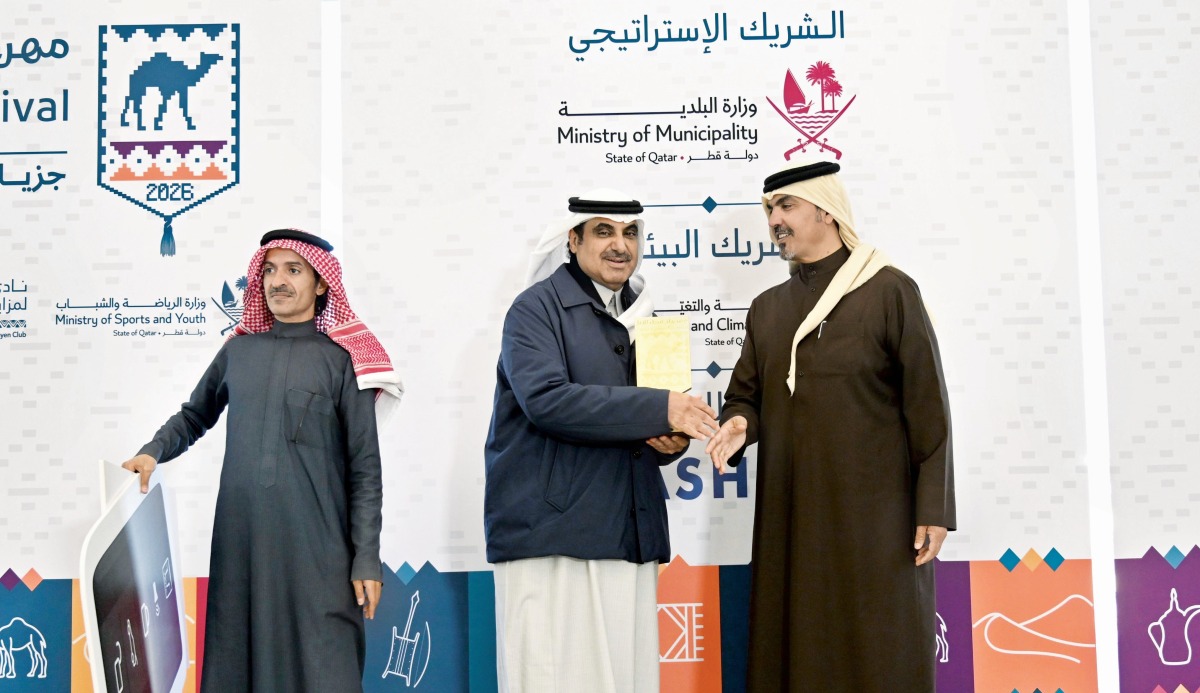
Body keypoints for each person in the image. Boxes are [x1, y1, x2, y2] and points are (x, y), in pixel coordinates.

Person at [705, 162, 955, 691]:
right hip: (790, 517)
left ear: (826, 211)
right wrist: (739, 423)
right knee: (797, 647)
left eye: (786, 206)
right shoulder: (767, 309)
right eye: (769, 210)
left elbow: (928, 408)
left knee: (878, 646)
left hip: (878, 521)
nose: (774, 220)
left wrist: (933, 507)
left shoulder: (890, 291)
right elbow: (746, 395)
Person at [121, 229, 403, 693]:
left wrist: (366, 558)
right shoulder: (238, 351)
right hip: (242, 547)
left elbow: (365, 470)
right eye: (269, 270)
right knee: (239, 663)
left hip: (319, 552)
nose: (278, 281)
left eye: (293, 270)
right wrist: (154, 450)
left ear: (322, 283)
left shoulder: (342, 361)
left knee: (324, 667)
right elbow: (194, 416)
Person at [484, 190, 720, 692]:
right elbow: (547, 401)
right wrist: (660, 409)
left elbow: (654, 415)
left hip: (627, 532)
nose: (620, 245)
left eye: (630, 233)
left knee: (625, 680)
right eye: (604, 231)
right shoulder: (535, 309)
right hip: (553, 536)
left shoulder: (646, 317)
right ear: (573, 240)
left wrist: (672, 438)